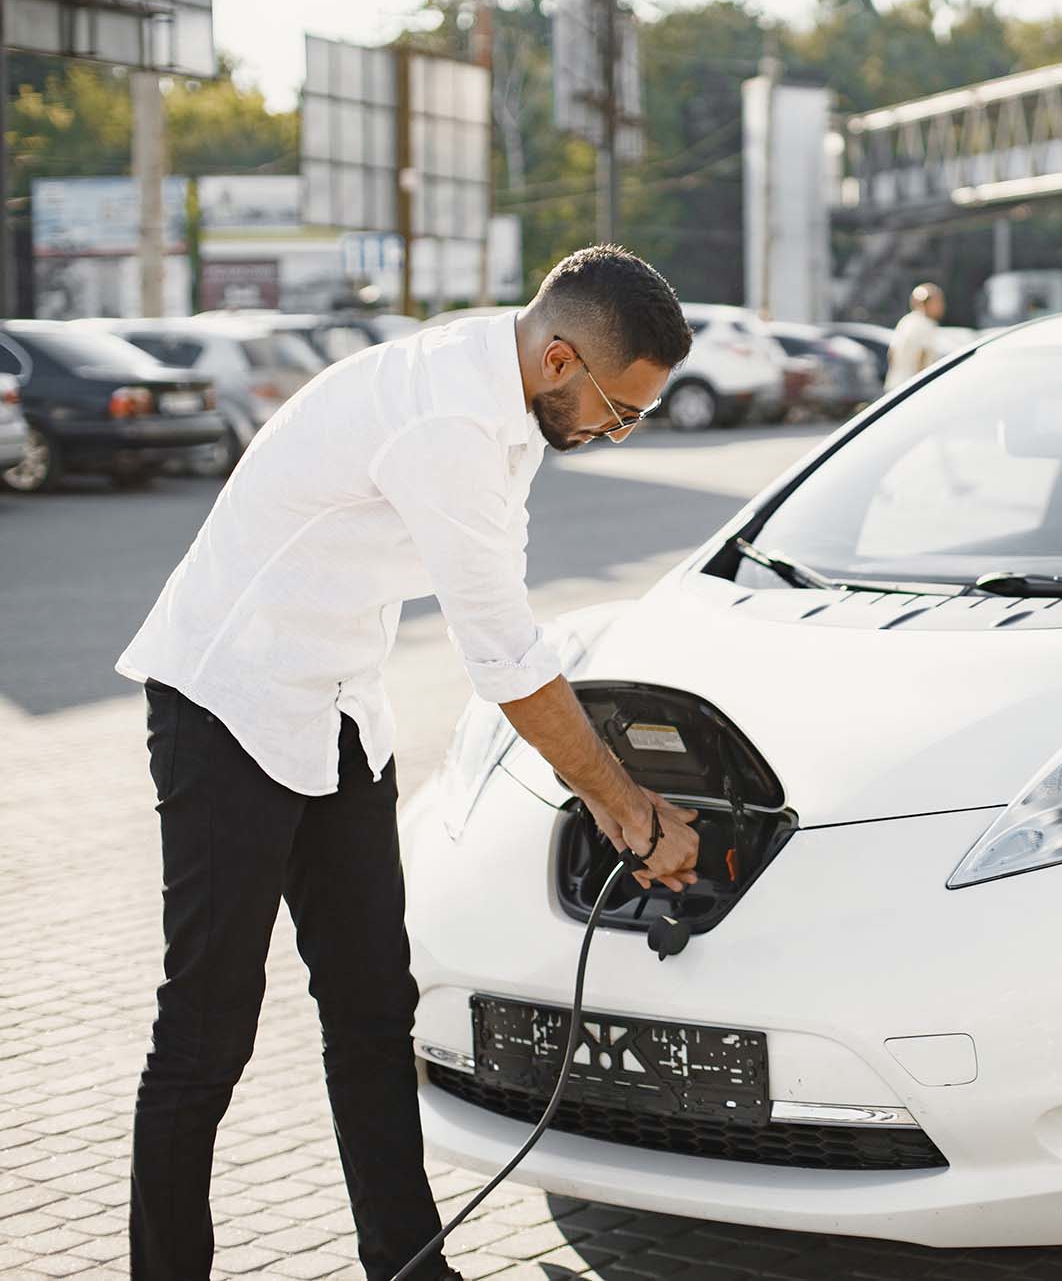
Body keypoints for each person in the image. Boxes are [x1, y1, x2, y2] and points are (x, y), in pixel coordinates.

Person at [116, 245, 705, 1281]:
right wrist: (621, 804)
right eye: (621, 409)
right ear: (562, 359)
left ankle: (406, 1263)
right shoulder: (447, 424)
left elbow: (510, 624)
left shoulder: (505, 396)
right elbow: (503, 658)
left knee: (374, 1007)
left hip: (338, 713)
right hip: (229, 706)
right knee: (206, 1034)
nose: (621, 431)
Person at [884, 281, 946, 390]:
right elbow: (923, 358)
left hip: (894, 385)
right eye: (938, 301)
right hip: (912, 388)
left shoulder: (905, 321)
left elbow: (891, 353)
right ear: (926, 303)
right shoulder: (926, 325)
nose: (942, 306)